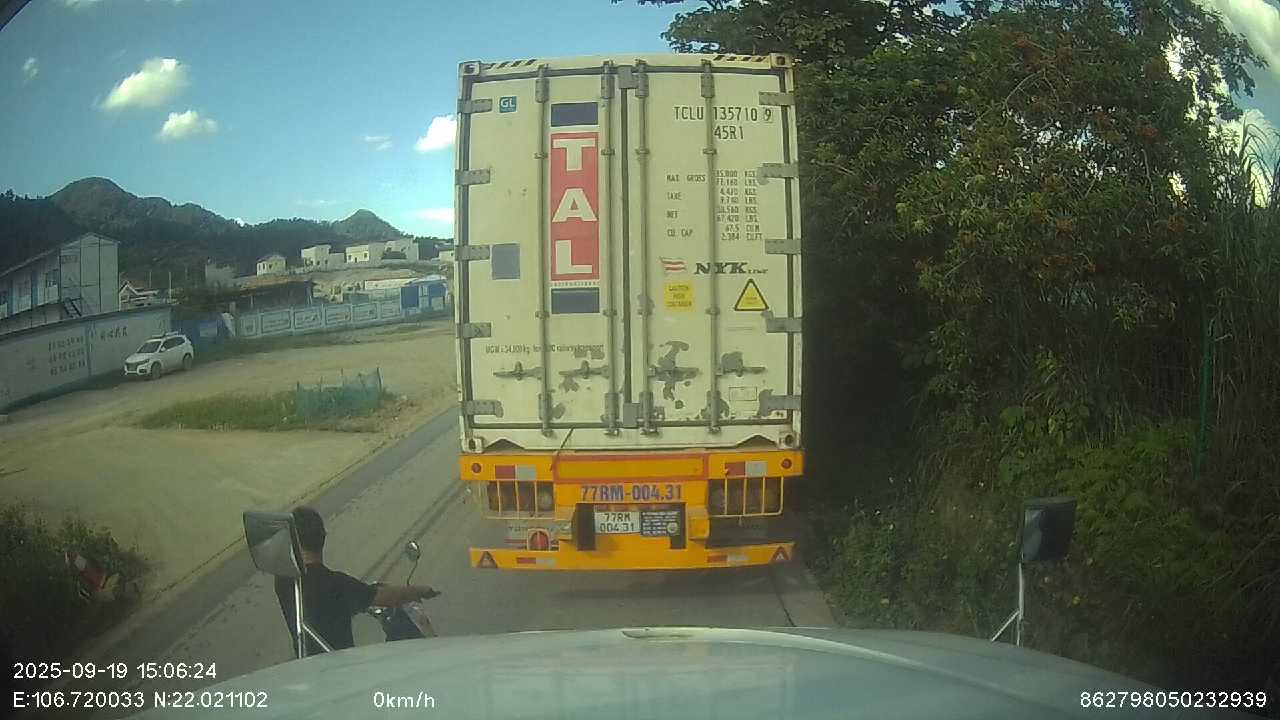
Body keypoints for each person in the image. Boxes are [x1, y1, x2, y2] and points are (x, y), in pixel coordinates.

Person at [274, 506, 438, 657]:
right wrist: (418, 590)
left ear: (292, 542)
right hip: (342, 666)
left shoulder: (284, 582)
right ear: (322, 538)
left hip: (306, 663)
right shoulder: (335, 584)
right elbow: (386, 597)